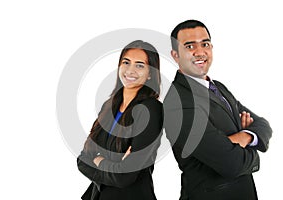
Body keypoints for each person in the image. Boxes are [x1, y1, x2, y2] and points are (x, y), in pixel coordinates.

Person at [163, 19, 272, 200]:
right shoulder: (177, 103)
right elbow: (231, 164)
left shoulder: (218, 87)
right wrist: (252, 146)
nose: (200, 52)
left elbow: (263, 124)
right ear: (175, 55)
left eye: (205, 44)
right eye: (190, 46)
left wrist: (243, 136)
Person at [77, 40, 163, 200]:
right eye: (126, 62)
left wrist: (99, 160)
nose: (130, 70)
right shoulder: (109, 106)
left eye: (139, 65)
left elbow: (125, 177)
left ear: (150, 73)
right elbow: (82, 159)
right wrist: (115, 166)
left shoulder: (151, 110)